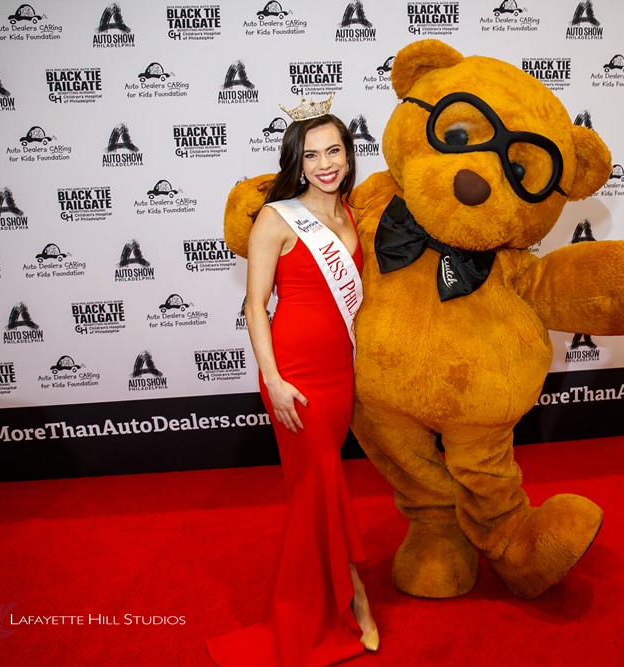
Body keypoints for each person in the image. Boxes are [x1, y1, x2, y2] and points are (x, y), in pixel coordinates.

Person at [207, 97, 379, 666]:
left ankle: (338, 592)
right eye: (312, 155)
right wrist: (273, 381)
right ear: (297, 162)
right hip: (295, 374)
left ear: (349, 156)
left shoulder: (351, 215)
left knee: (323, 490)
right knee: (317, 487)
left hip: (340, 371)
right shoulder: (277, 218)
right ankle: (354, 599)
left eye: (334, 150)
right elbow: (256, 306)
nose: (325, 163)